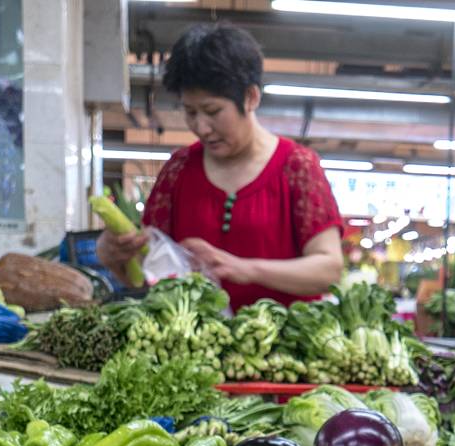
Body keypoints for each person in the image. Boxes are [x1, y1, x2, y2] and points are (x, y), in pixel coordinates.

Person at [96, 23, 343, 309]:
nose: (201, 127)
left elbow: (329, 269)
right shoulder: (178, 171)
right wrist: (113, 256)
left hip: (285, 334)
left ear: (251, 97)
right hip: (195, 335)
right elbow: (151, 274)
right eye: (190, 112)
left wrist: (244, 269)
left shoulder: (298, 167)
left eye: (212, 111)